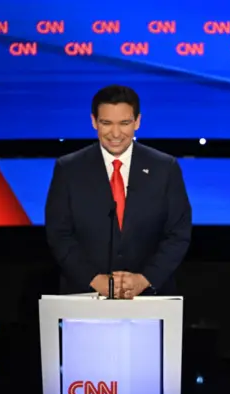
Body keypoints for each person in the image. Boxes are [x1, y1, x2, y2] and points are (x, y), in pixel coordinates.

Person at [45, 85, 192, 298]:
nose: (115, 133)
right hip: (85, 297)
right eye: (106, 123)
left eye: (124, 123)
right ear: (94, 121)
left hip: (150, 298)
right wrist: (95, 280)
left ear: (137, 122)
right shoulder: (68, 169)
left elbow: (178, 234)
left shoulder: (165, 168)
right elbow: (59, 235)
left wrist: (144, 280)